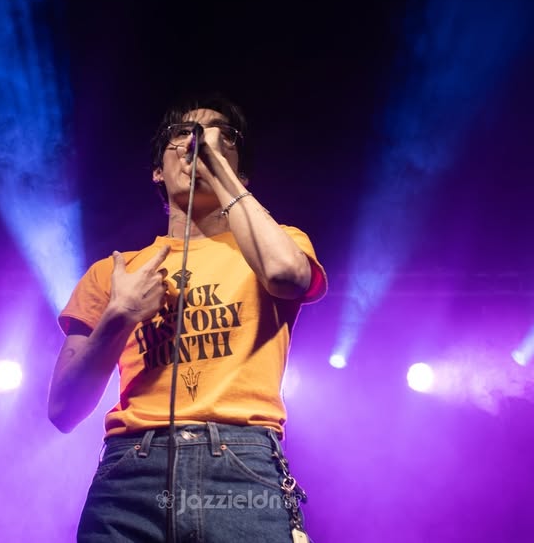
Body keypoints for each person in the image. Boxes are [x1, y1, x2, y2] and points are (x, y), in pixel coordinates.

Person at [48, 94, 328, 542]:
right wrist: (119, 316)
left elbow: (286, 275)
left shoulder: (280, 243)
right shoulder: (114, 273)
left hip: (239, 463)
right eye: (182, 134)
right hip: (131, 470)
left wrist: (217, 167)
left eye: (221, 136)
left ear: (240, 171)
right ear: (157, 170)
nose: (197, 142)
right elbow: (62, 410)